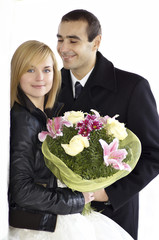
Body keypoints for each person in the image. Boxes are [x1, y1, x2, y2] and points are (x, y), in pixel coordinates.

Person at [9, 40, 133, 240]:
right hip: (41, 226)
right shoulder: (23, 119)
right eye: (30, 70)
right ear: (17, 74)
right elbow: (21, 191)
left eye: (47, 70)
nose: (40, 77)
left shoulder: (45, 115)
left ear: (55, 74)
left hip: (53, 216)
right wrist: (76, 199)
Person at [56, 9, 159, 240]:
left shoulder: (132, 87)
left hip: (112, 217)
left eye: (73, 40)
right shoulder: (49, 84)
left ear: (96, 42)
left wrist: (108, 193)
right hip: (60, 215)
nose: (63, 48)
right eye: (60, 39)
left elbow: (154, 153)